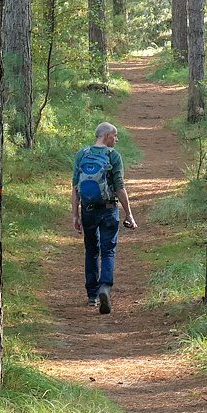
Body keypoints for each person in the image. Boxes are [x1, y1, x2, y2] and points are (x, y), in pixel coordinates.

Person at [71, 122, 137, 314]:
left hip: (88, 210)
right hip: (108, 209)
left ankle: (92, 296)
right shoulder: (113, 156)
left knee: (91, 250)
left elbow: (75, 187)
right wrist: (129, 213)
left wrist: (75, 214)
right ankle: (105, 287)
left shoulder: (81, 155)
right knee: (108, 251)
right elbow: (119, 186)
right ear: (107, 135)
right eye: (115, 136)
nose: (116, 140)